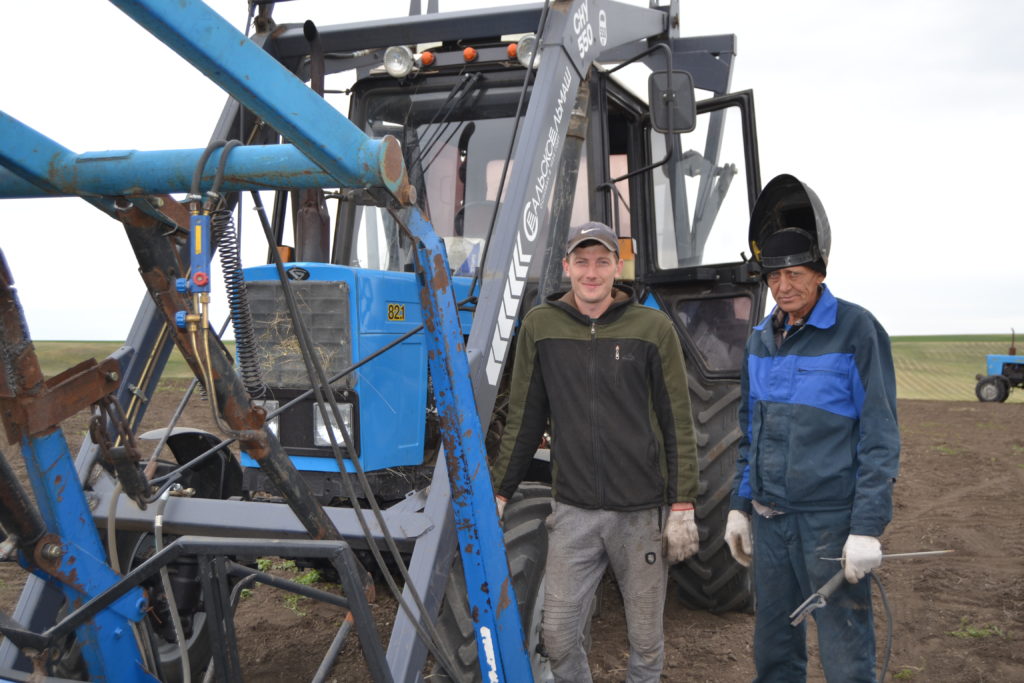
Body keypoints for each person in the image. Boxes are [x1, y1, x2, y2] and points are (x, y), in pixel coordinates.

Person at [491, 221, 700, 683]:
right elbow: (524, 416)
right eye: (581, 261)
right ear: (566, 267)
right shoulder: (540, 326)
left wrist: (683, 502)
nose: (591, 272)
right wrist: (501, 492)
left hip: (640, 513)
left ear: (616, 268)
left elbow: (677, 420)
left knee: (646, 642)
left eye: (601, 261)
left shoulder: (652, 328)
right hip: (573, 512)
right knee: (559, 636)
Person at [724, 174, 901, 682]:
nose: (783, 286)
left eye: (796, 274)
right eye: (773, 276)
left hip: (827, 523)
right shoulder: (760, 339)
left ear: (820, 274)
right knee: (774, 649)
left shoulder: (856, 330)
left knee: (845, 652)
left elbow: (880, 434)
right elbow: (749, 431)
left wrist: (866, 527)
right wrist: (740, 507)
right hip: (769, 520)